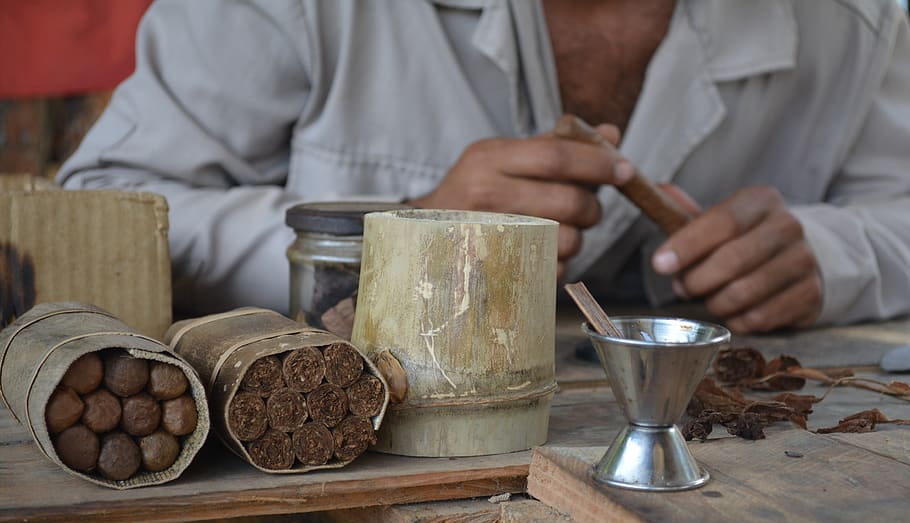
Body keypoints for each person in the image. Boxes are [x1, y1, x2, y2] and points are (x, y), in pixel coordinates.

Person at [59, 0, 910, 333]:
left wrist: (833, 254)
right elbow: (99, 213)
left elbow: (898, 210)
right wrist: (397, 236)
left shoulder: (853, 19)